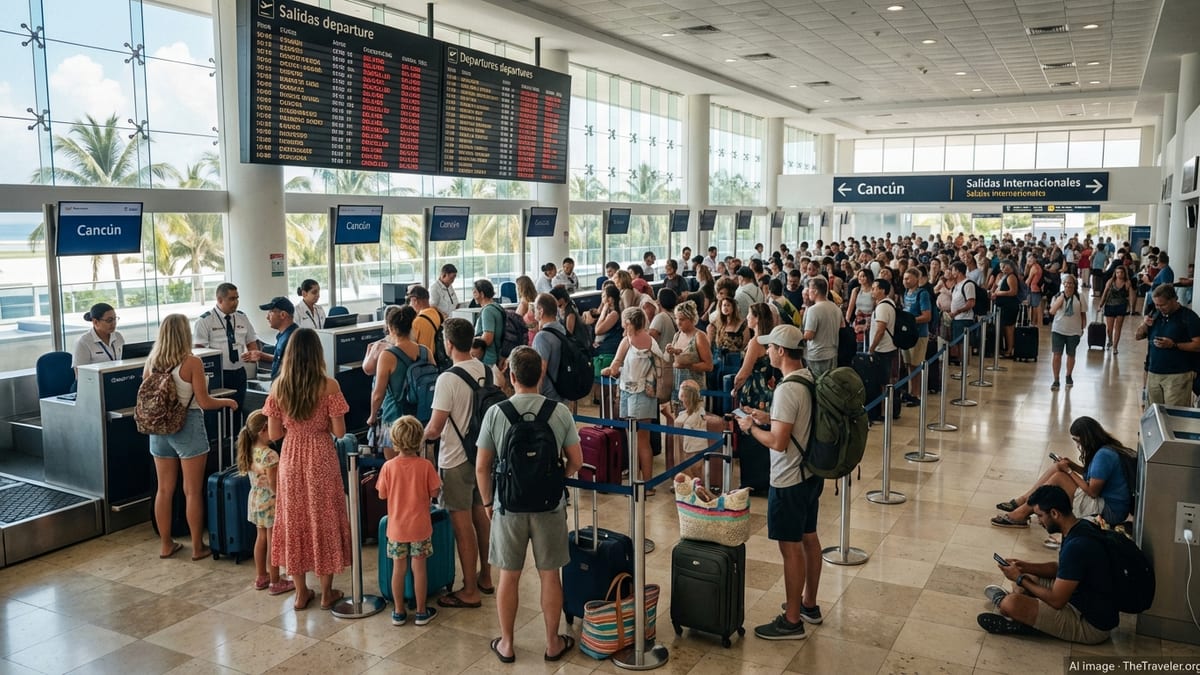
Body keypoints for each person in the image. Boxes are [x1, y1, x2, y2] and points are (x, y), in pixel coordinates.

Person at [475, 346, 583, 663]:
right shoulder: (559, 412)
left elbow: (482, 466)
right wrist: (557, 477)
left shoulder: (497, 413)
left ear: (511, 376)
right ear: (540, 375)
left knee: (509, 575)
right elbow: (577, 460)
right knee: (550, 575)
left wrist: (486, 503)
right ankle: (552, 642)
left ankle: (507, 643)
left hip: (508, 505)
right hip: (549, 505)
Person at [735, 324, 823, 640]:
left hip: (789, 479)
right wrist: (763, 417)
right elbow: (794, 423)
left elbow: (778, 442)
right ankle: (809, 604)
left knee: (791, 548)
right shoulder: (807, 377)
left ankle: (792, 619)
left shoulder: (787, 389)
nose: (767, 351)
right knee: (809, 537)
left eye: (770, 347)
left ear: (781, 351)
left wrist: (749, 428)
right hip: (810, 474)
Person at [264, 327, 352, 611]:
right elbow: (340, 431)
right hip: (321, 454)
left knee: (294, 520)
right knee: (323, 517)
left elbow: (274, 434)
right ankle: (327, 592)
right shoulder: (329, 386)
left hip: (291, 455)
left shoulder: (278, 386)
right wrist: (321, 424)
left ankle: (301, 592)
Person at [145, 314, 239, 561]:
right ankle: (198, 546)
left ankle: (166, 544)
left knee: (164, 489)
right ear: (184, 334)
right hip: (187, 427)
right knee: (192, 491)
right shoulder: (191, 363)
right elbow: (206, 402)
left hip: (158, 429)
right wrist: (227, 401)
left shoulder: (152, 362)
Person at [978, 484, 1117, 644]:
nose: (1038, 521)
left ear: (1054, 513)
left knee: (1011, 604)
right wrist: (1023, 567)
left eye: (1040, 515)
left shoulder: (1077, 547)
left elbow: (1057, 601)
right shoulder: (1078, 527)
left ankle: (1015, 615)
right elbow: (1060, 569)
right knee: (1025, 580)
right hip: (1078, 596)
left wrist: (1019, 579)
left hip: (1090, 625)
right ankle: (1024, 611)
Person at [424, 317, 493, 608]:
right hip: (483, 456)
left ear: (448, 344)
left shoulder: (447, 379)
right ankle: (486, 578)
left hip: (455, 459)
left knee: (462, 526)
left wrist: (416, 436)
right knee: (482, 518)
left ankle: (469, 590)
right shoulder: (488, 371)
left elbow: (436, 427)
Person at [991, 416, 1134, 529]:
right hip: (1107, 502)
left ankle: (1021, 512)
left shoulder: (1103, 456)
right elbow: (1093, 475)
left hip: (1110, 511)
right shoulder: (1104, 450)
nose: (1078, 445)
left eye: (1078, 441)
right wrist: (1071, 465)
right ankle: (1023, 501)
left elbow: (1092, 491)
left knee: (1059, 477)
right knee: (1058, 468)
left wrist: (1069, 471)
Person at [376, 415, 442, 627]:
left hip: (396, 529)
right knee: (419, 569)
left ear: (394, 440)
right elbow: (434, 491)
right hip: (420, 528)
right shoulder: (425, 466)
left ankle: (398, 611)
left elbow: (382, 495)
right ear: (419, 439)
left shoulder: (388, 467)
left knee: (398, 569)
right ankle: (422, 611)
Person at [601, 307, 665, 490]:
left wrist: (608, 371)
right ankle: (646, 482)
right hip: (647, 393)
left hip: (630, 392)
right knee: (643, 440)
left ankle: (637, 482)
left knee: (634, 440)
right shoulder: (651, 341)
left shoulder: (627, 341)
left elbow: (615, 366)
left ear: (629, 322)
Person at [235, 410, 293, 596]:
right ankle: (276, 580)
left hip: (256, 500)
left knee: (261, 539)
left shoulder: (249, 450)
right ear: (263, 430)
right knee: (273, 541)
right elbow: (274, 485)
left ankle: (261, 576)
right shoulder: (270, 456)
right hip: (271, 501)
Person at [195, 283, 260, 430]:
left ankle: (236, 441)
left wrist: (253, 353)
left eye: (237, 298)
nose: (235, 302)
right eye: (231, 299)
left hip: (239, 371)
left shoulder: (242, 317)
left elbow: (251, 341)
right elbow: (199, 352)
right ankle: (219, 445)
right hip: (219, 375)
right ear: (219, 300)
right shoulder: (205, 321)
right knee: (217, 414)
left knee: (238, 409)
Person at [366, 306, 424, 450]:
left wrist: (372, 416)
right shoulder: (424, 351)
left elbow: (378, 394)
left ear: (390, 328)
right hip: (419, 416)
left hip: (395, 418)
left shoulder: (388, 355)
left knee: (395, 465)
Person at [1135, 284, 1200, 406]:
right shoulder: (1155, 314)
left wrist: (1173, 345)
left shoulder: (1189, 317)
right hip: (1154, 373)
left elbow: (1198, 345)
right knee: (1153, 414)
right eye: (1156, 304)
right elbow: (1137, 336)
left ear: (1174, 299)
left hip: (1178, 375)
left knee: (1174, 416)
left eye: (1163, 304)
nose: (1159, 308)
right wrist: (1144, 324)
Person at [666, 300, 713, 400]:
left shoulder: (699, 336)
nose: (678, 322)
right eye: (676, 318)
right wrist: (671, 351)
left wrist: (688, 366)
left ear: (691, 319)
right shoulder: (677, 335)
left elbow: (709, 366)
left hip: (694, 389)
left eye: (682, 319)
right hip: (677, 386)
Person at [1047, 274, 1087, 391]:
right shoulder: (1057, 296)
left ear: (1075, 285)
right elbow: (1052, 311)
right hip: (1058, 329)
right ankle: (1056, 379)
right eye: (1066, 283)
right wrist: (1060, 300)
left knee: (1071, 354)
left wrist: (1082, 328)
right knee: (1057, 355)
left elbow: (1083, 314)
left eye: (1071, 283)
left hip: (1073, 331)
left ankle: (1068, 375)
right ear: (1063, 284)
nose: (1068, 285)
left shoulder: (1079, 297)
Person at [899, 268, 932, 406]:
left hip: (919, 334)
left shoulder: (922, 294)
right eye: (904, 278)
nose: (905, 281)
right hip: (908, 334)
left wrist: (911, 320)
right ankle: (911, 391)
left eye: (908, 278)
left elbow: (927, 316)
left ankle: (916, 394)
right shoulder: (907, 293)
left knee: (916, 364)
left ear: (916, 279)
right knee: (908, 364)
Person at [869, 279, 900, 421]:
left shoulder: (882, 307)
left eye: (875, 288)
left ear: (882, 290)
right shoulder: (889, 303)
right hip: (889, 347)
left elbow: (880, 330)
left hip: (883, 349)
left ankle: (883, 412)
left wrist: (872, 348)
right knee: (886, 379)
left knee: (882, 382)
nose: (872, 291)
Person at [530, 293, 567, 402]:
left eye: (535, 308)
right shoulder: (561, 330)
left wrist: (534, 396)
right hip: (562, 392)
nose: (533, 312)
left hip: (548, 396)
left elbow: (540, 370)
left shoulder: (542, 337)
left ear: (541, 311)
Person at [801, 277, 841, 377]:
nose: (808, 292)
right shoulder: (835, 307)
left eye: (809, 289)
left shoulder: (814, 310)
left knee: (818, 386)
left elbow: (809, 335)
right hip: (832, 353)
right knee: (829, 385)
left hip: (817, 355)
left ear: (815, 291)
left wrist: (798, 336)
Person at [251, 296, 296, 381]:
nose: (267, 317)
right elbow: (282, 359)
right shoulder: (283, 335)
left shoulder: (293, 337)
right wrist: (261, 356)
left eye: (270, 312)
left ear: (283, 315)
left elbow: (291, 364)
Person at [73, 302, 124, 375]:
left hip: (116, 379)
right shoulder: (83, 342)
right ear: (95, 322)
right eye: (109, 320)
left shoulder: (118, 336)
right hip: (93, 382)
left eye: (114, 319)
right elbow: (79, 374)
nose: (113, 323)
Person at [472, 280, 505, 377]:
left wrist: (473, 343)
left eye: (475, 292)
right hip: (496, 355)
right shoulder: (497, 307)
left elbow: (488, 338)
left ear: (481, 294)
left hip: (489, 358)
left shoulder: (487, 311)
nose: (473, 295)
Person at [406, 285, 442, 358]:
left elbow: (411, 346)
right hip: (435, 358)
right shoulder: (436, 313)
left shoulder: (418, 321)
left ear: (415, 300)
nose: (410, 305)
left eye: (410, 302)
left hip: (423, 360)